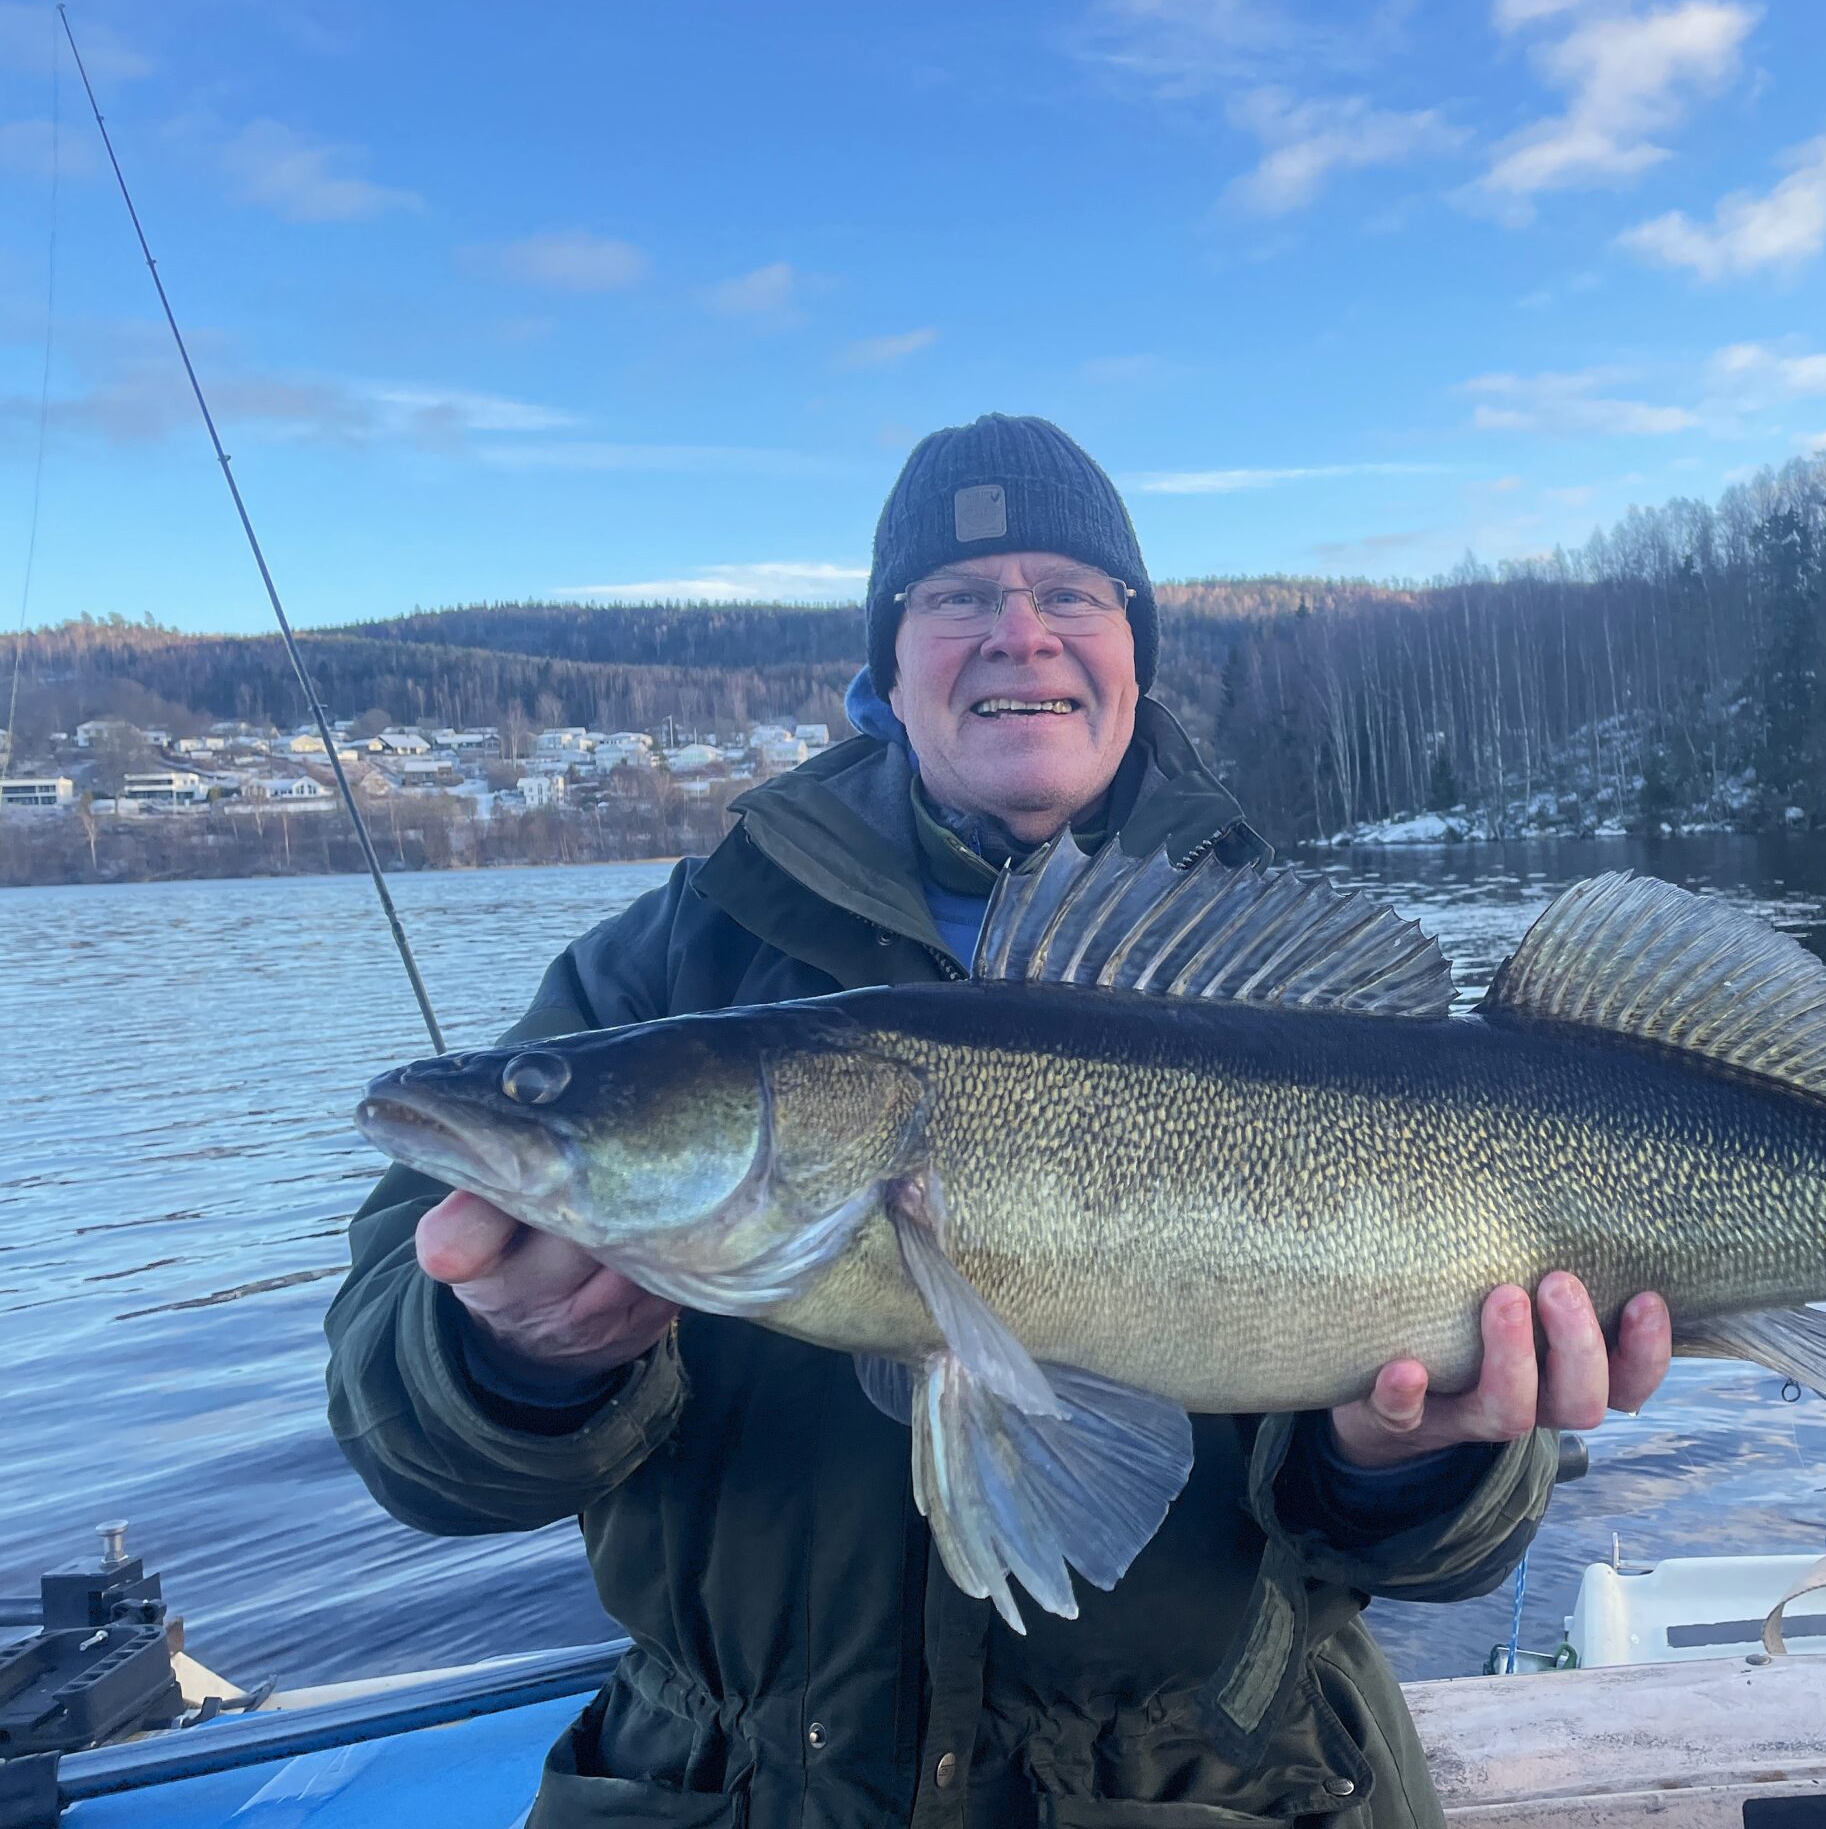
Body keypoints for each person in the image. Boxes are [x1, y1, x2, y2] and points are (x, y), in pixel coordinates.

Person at [325, 414, 1671, 1829]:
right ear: (887, 665)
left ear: (1133, 653)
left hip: (1220, 1788)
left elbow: (1440, 1553)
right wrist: (510, 1361)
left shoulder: (1292, 989)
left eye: (1071, 595)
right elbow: (403, 1438)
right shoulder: (666, 971)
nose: (1018, 633)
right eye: (958, 596)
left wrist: (1420, 1458)